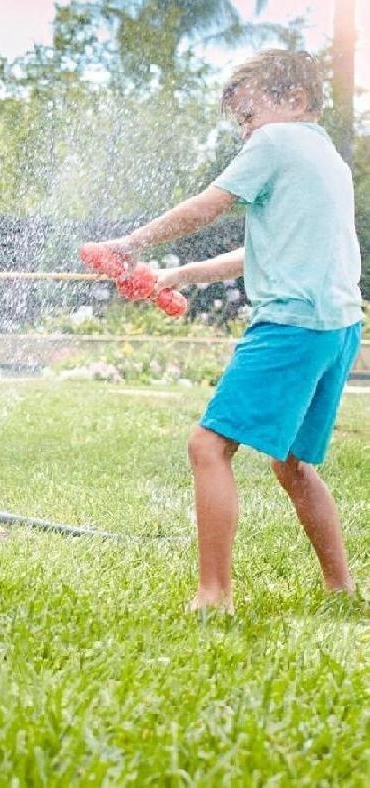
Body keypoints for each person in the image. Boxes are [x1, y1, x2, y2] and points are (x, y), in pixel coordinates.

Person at [89, 50, 363, 612]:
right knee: (290, 462)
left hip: (291, 323)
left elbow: (206, 208)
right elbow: (265, 247)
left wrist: (129, 244)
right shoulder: (326, 157)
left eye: (249, 116)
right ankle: (341, 586)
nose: (246, 132)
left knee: (207, 445)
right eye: (239, 122)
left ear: (296, 101)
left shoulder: (276, 143)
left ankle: (214, 596)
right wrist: (181, 273)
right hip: (336, 327)